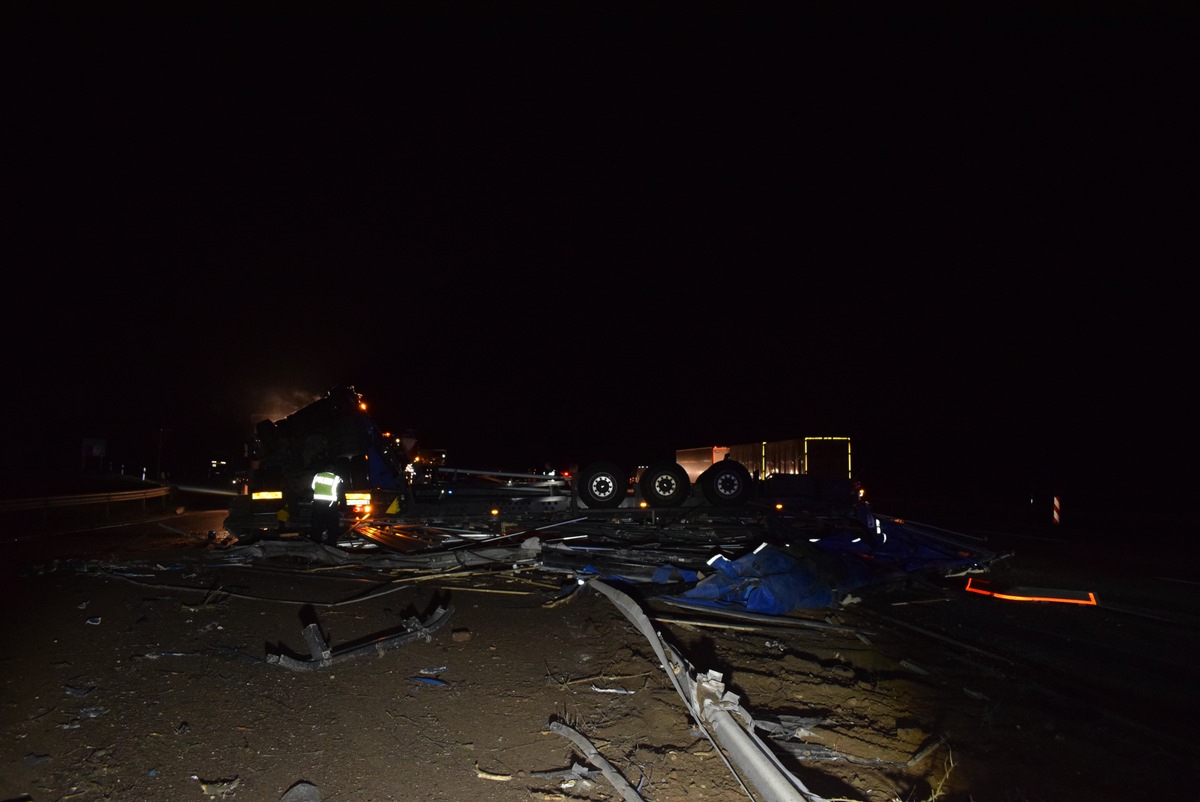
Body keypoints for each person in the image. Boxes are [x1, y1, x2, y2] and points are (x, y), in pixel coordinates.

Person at [309, 465, 345, 545]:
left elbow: (313, 487)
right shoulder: (337, 478)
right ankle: (331, 544)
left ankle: (315, 543)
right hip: (331, 505)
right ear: (334, 471)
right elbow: (341, 493)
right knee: (332, 526)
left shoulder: (317, 476)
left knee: (317, 524)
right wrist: (343, 508)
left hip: (317, 503)